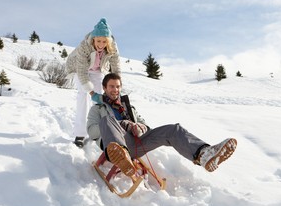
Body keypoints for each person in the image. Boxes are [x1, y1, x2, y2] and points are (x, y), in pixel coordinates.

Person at [87, 73, 237, 179]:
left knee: (173, 129)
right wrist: (120, 124)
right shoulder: (98, 109)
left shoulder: (129, 107)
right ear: (104, 88)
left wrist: (139, 127)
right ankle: (121, 155)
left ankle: (204, 154)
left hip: (137, 143)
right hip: (114, 146)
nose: (115, 90)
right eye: (111, 86)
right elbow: (91, 131)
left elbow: (146, 125)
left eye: (118, 86)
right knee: (106, 120)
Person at [66, 18, 121, 147]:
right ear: (93, 39)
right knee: (83, 96)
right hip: (79, 69)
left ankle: (102, 130)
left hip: (97, 70)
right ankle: (79, 134)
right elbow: (82, 72)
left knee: (101, 100)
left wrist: (117, 88)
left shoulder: (112, 48)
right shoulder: (84, 46)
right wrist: (91, 92)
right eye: (98, 41)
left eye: (104, 41)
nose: (101, 44)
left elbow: (116, 68)